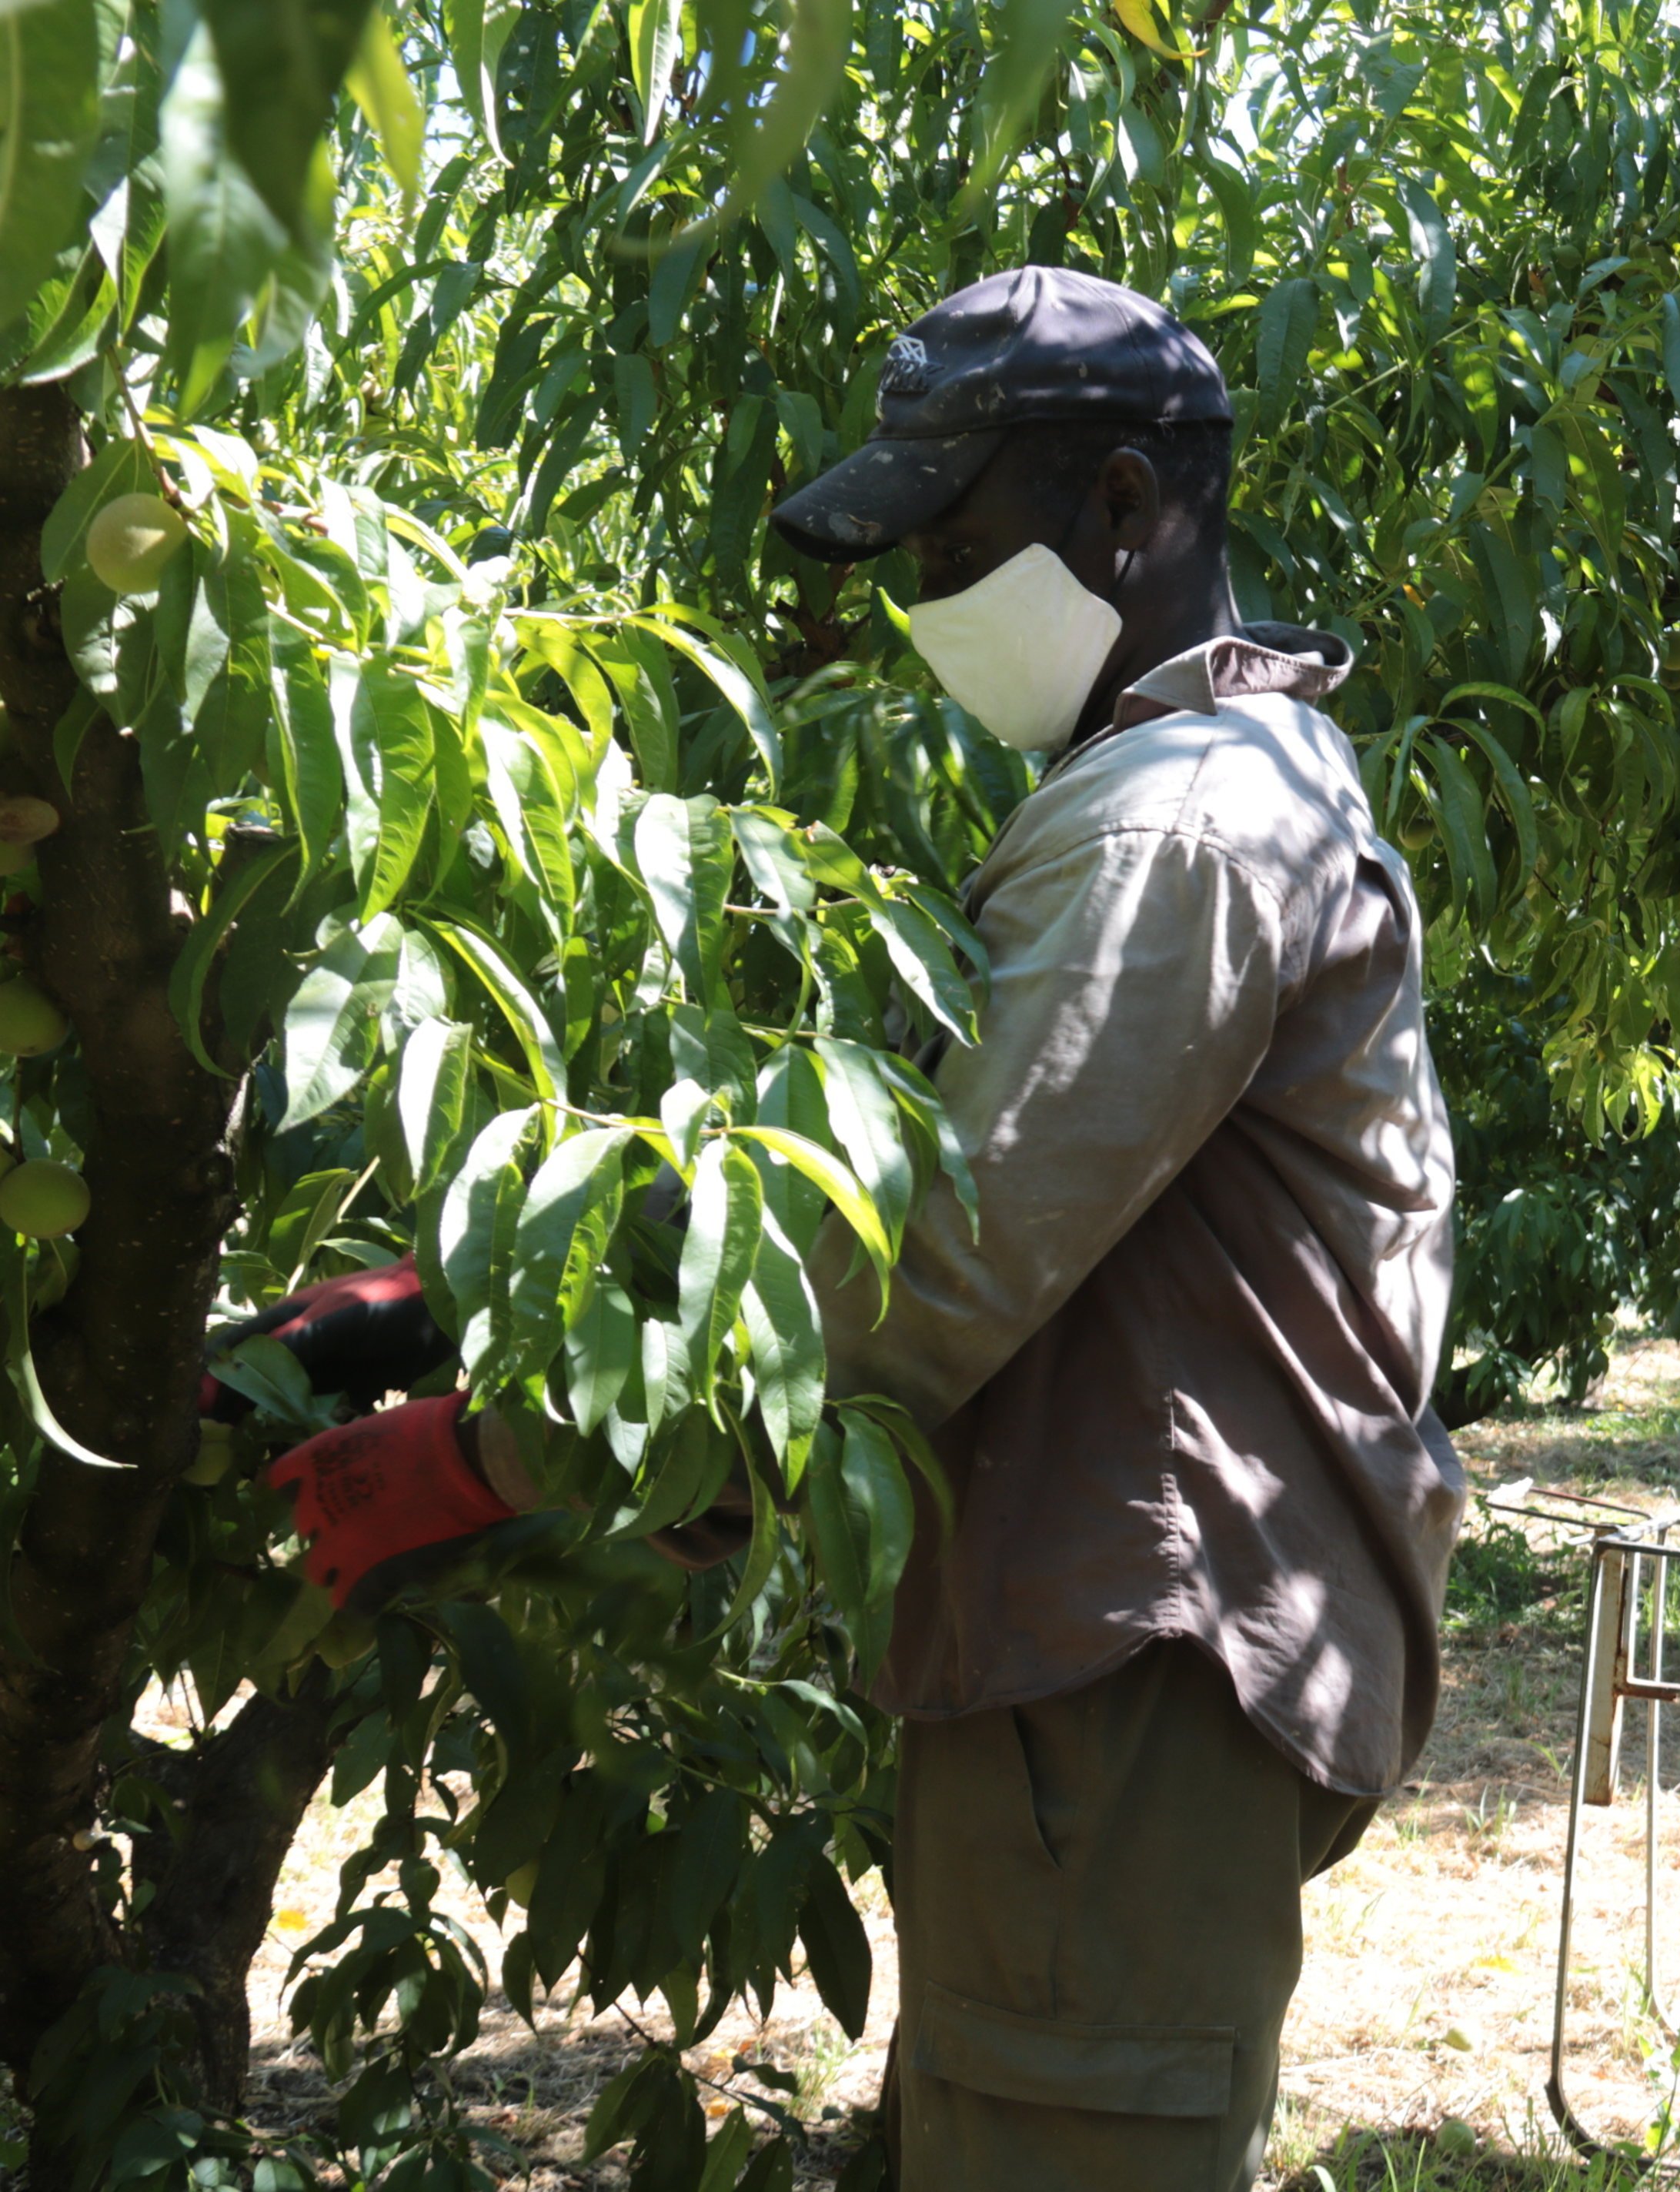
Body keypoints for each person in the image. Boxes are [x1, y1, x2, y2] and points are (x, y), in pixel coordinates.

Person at [235, 267, 1466, 2191]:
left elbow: (927, 1272)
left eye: (966, 545)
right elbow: (881, 1166)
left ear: (1129, 511)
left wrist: (490, 1457)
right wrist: (464, 1290)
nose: (925, 604)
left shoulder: (1180, 829)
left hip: (1130, 1681)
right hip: (1093, 1681)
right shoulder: (1164, 785)